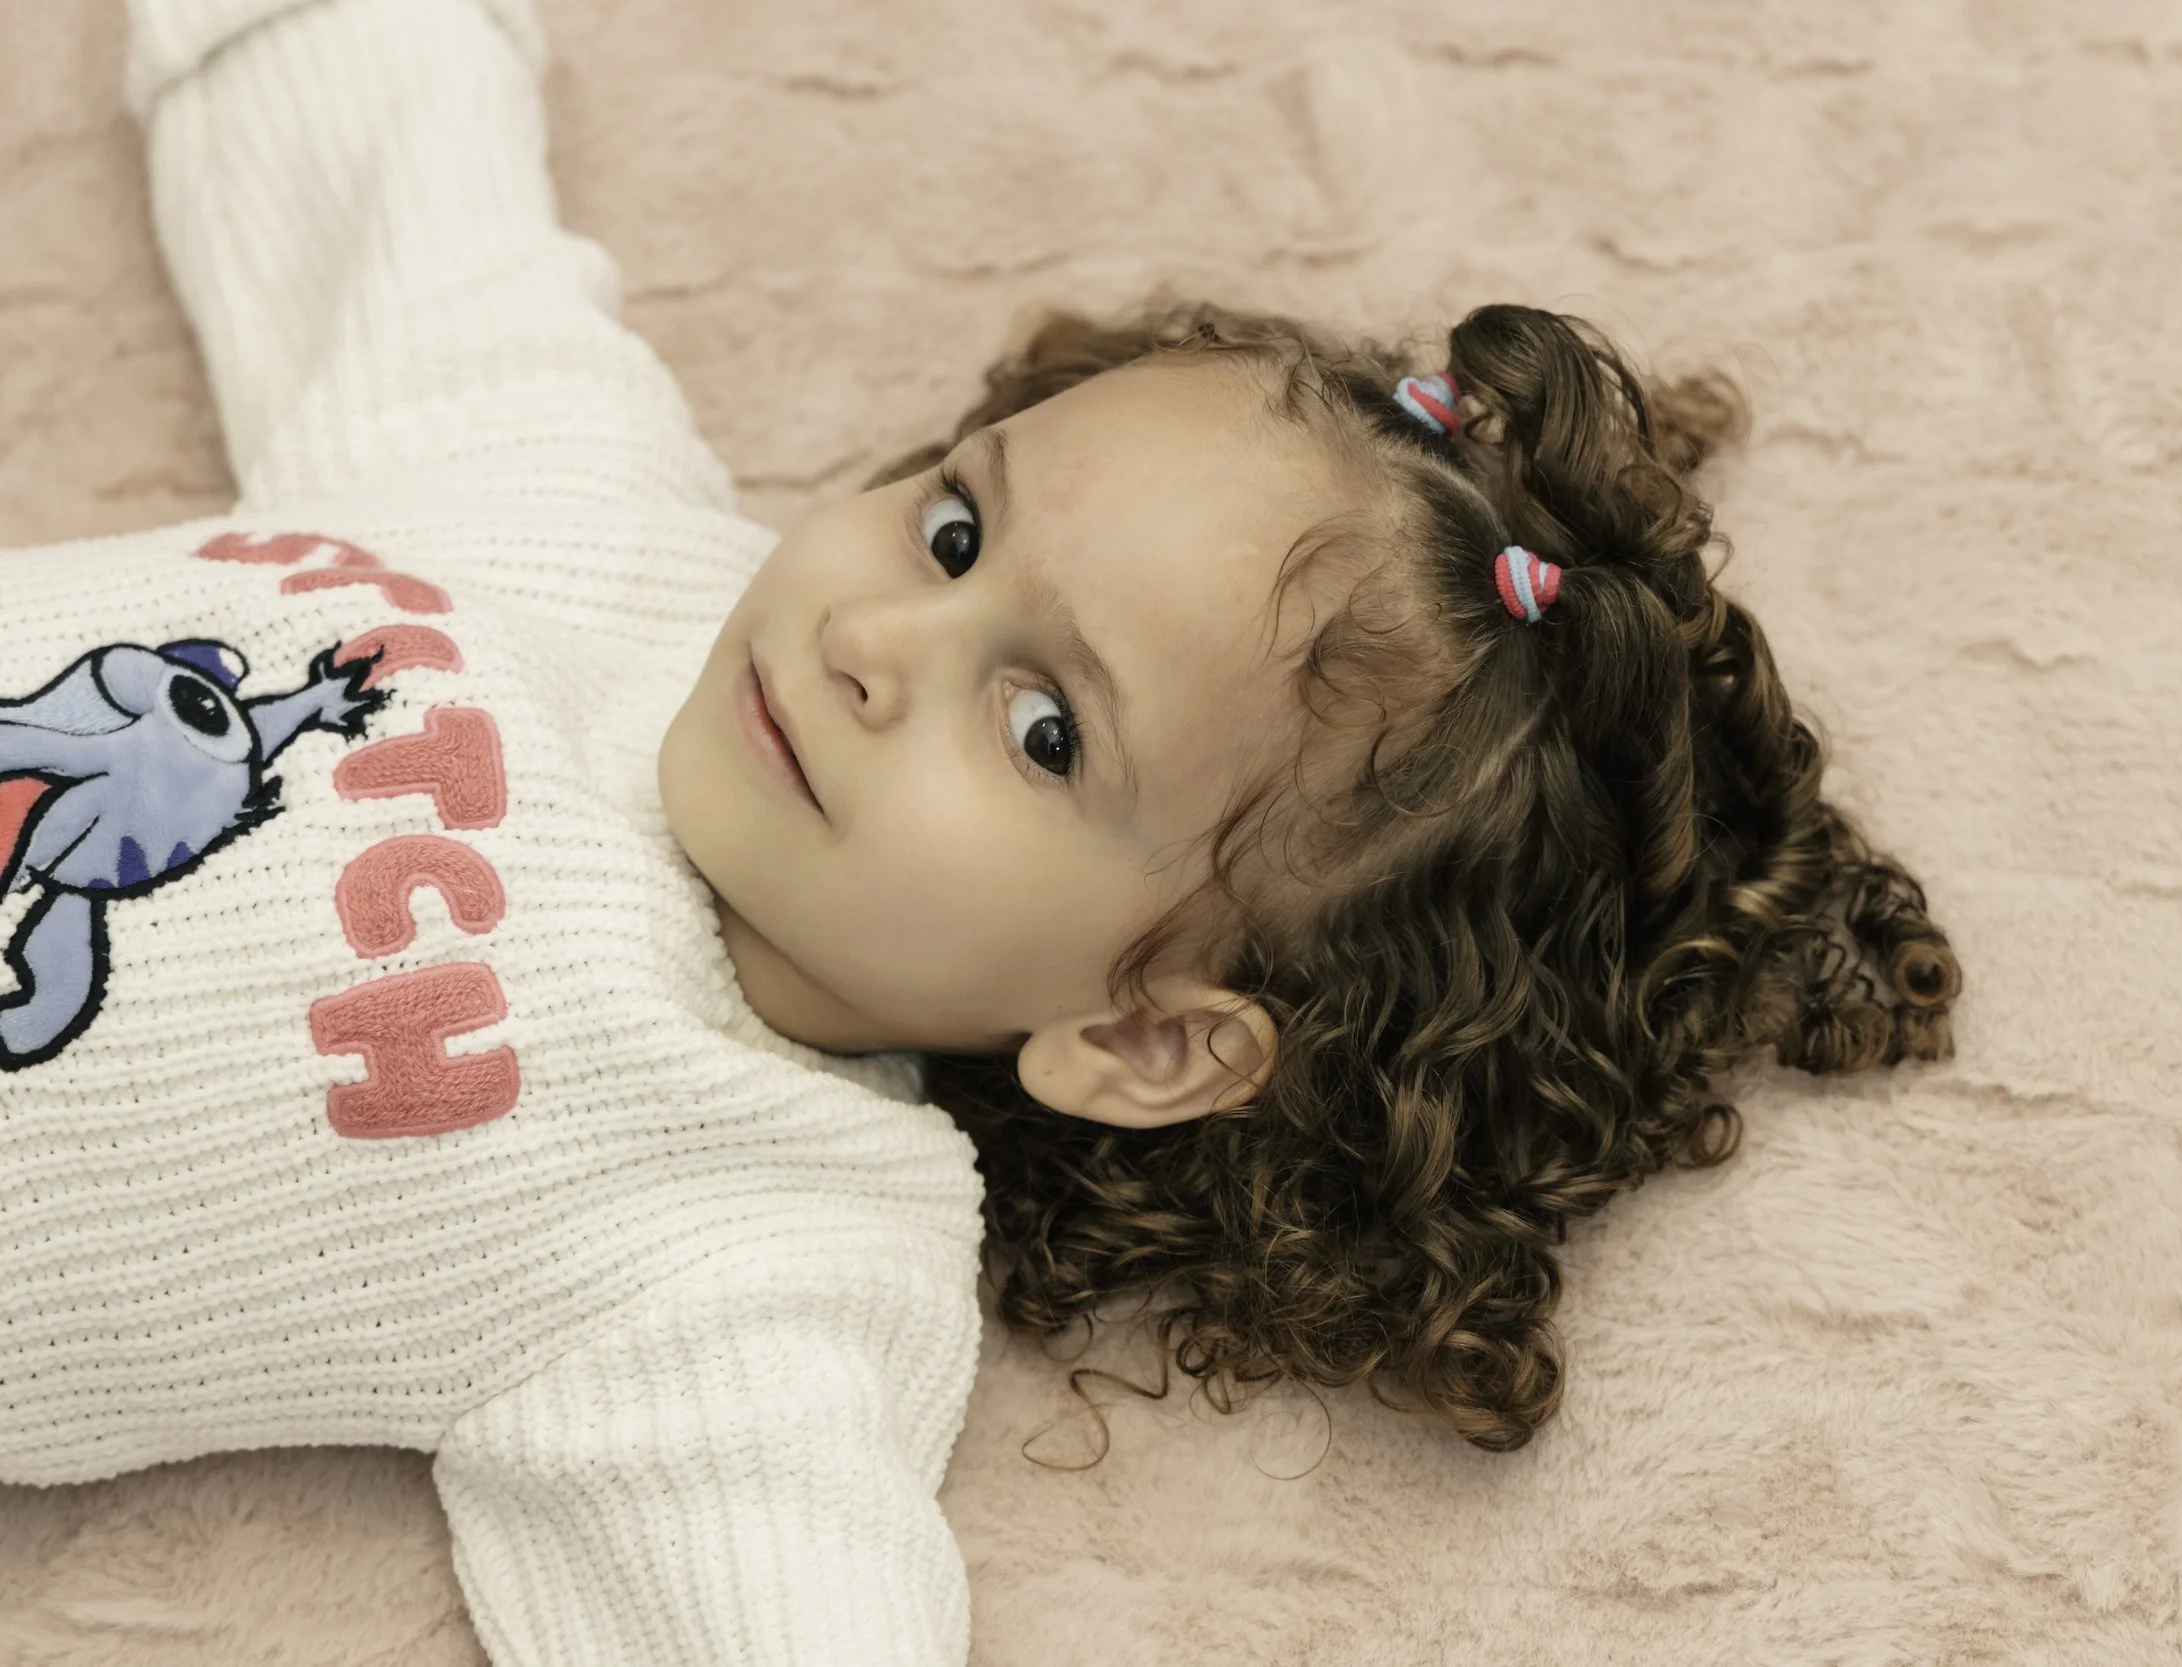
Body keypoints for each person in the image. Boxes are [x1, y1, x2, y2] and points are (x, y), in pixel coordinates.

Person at [0, 0, 1960, 1662]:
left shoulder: (755, 1246)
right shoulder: (573, 499)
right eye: (953, 527)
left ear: (1145, 1031)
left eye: (1037, 726)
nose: (871, 636)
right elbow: (388, 192)